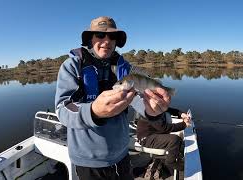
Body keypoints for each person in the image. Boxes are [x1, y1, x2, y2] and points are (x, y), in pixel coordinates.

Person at [55, 16, 171, 180]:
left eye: (112, 36)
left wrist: (153, 111)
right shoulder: (72, 66)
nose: (107, 41)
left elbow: (140, 104)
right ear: (90, 39)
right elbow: (63, 110)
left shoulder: (126, 69)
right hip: (89, 161)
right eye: (100, 35)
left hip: (122, 155)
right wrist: (94, 111)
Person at [136, 107, 191, 172]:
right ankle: (170, 162)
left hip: (155, 133)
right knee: (174, 139)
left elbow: (169, 109)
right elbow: (163, 128)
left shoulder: (158, 106)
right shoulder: (151, 111)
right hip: (146, 138)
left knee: (178, 141)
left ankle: (176, 155)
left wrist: (181, 114)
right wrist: (183, 124)